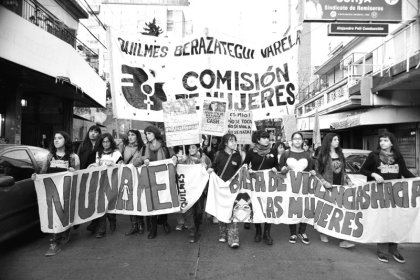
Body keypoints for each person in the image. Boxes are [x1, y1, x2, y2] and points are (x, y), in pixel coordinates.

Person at [360, 131, 415, 264]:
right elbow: (363, 170)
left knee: (395, 221)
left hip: (395, 195)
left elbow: (404, 172)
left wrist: (416, 180)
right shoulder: (374, 156)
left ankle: (394, 249)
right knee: (382, 222)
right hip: (379, 195)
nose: (382, 143)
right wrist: (374, 174)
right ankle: (382, 251)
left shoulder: (397, 156)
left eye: (385, 140)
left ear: (392, 142)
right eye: (381, 141)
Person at [33, 131, 80, 256]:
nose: (56, 140)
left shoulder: (73, 157)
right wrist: (36, 177)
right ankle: (54, 243)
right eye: (54, 138)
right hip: (52, 192)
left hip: (66, 192)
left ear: (66, 140)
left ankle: (65, 230)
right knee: (54, 215)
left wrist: (73, 171)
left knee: (63, 213)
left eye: (60, 138)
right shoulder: (49, 156)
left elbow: (79, 176)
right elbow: (43, 173)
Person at [314, 133, 355, 248]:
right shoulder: (322, 155)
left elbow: (344, 171)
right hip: (327, 187)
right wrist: (324, 182)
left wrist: (349, 181)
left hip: (340, 188)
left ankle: (343, 240)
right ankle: (322, 232)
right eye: (335, 139)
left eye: (338, 139)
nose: (337, 141)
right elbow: (317, 172)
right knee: (326, 210)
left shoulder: (340, 155)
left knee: (341, 213)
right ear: (329, 141)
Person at [279, 132, 316, 245]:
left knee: (304, 206)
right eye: (295, 138)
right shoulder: (286, 153)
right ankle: (293, 233)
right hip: (290, 186)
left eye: (299, 139)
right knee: (292, 207)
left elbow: (310, 168)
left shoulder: (307, 154)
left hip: (304, 187)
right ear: (291, 141)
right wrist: (284, 169)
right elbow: (280, 167)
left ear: (302, 140)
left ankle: (302, 232)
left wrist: (312, 172)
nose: (297, 141)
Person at [139, 125, 175, 239]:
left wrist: (175, 158)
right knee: (152, 203)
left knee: (164, 200)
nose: (147, 136)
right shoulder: (144, 148)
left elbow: (173, 158)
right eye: (146, 134)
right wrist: (142, 159)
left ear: (155, 133)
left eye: (149, 133)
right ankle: (153, 229)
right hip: (150, 180)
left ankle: (164, 221)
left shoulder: (165, 147)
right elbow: (136, 161)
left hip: (163, 179)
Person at [243, 130, 278, 245]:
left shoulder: (273, 150)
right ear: (258, 139)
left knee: (269, 207)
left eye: (268, 137)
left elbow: (276, 165)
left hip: (269, 186)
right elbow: (244, 165)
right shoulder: (251, 152)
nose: (267, 139)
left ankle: (267, 233)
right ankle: (258, 231)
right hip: (256, 185)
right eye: (264, 137)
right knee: (257, 207)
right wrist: (249, 170)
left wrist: (275, 168)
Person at [208, 133, 242, 248]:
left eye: (235, 141)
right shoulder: (219, 154)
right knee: (222, 210)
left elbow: (239, 171)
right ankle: (223, 233)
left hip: (233, 189)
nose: (234, 143)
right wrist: (210, 170)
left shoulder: (237, 156)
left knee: (233, 212)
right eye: (231, 141)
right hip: (221, 188)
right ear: (226, 143)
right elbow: (214, 167)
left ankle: (233, 239)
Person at [90, 133, 123, 238]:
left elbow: (122, 166)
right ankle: (102, 229)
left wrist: (114, 165)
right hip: (101, 182)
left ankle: (113, 220)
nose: (105, 144)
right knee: (101, 205)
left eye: (107, 141)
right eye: (103, 142)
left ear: (111, 142)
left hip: (113, 182)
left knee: (111, 205)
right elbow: (97, 165)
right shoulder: (98, 153)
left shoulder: (116, 153)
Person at [178, 143, 212, 243]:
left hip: (199, 190)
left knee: (198, 211)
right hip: (187, 189)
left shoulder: (205, 158)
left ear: (198, 148)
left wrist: (207, 169)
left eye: (193, 147)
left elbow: (210, 169)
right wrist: (181, 162)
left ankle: (196, 226)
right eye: (189, 147)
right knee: (188, 210)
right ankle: (192, 232)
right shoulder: (184, 158)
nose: (190, 149)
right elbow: (178, 170)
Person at [119, 130, 145, 236]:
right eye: (128, 135)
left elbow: (145, 158)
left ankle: (141, 224)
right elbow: (119, 158)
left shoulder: (142, 147)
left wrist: (141, 160)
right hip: (127, 176)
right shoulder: (123, 146)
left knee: (139, 199)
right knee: (129, 199)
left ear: (137, 136)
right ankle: (134, 225)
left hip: (139, 176)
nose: (130, 137)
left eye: (132, 135)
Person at [77, 125, 101, 232]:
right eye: (91, 131)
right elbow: (77, 160)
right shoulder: (82, 145)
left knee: (94, 200)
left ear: (99, 134)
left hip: (97, 177)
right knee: (81, 199)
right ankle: (77, 220)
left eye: (96, 132)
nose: (93, 133)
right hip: (83, 176)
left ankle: (94, 223)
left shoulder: (101, 146)